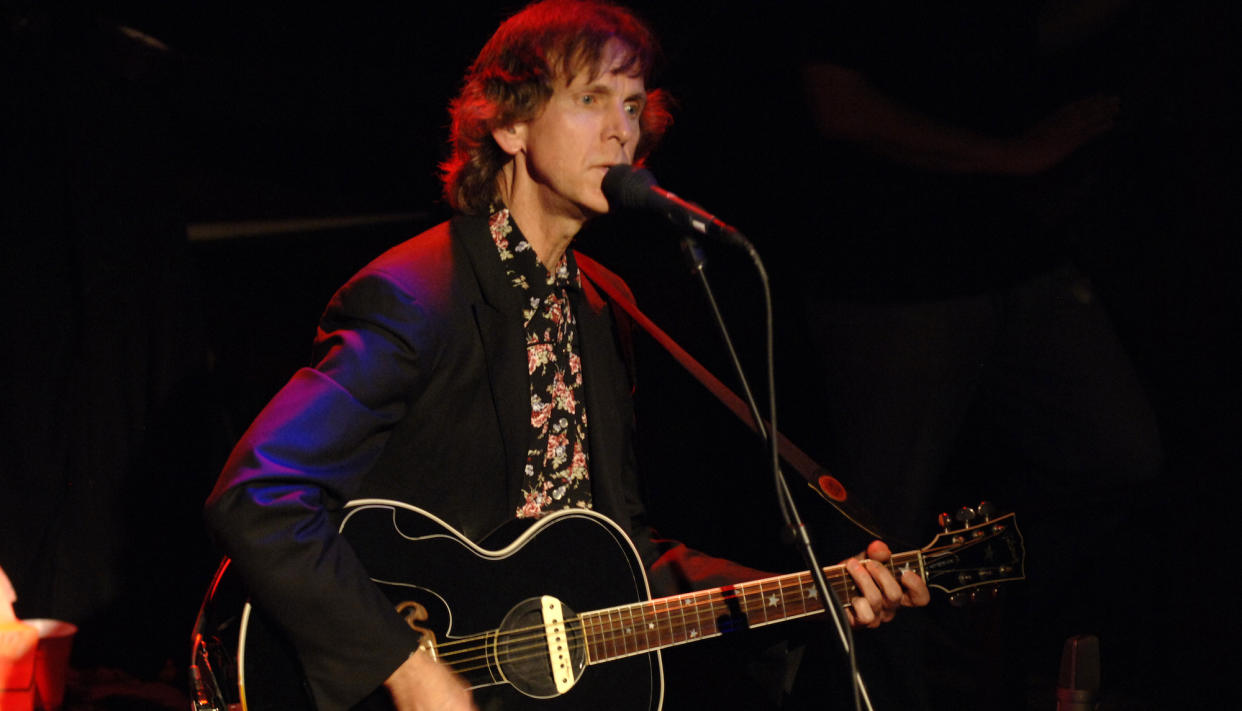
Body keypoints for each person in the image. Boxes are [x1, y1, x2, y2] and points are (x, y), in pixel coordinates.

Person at [203, 2, 929, 710]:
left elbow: (619, 555)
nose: (622, 133)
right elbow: (260, 492)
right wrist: (403, 664)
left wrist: (813, 594)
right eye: (592, 99)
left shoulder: (598, 306)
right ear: (513, 123)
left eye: (635, 105)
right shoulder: (417, 296)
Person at [788, 2, 1162, 708]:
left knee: (1122, 450)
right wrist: (1013, 155)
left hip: (1007, 249)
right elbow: (839, 103)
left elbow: (1005, 32)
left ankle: (976, 601)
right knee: (877, 546)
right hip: (894, 269)